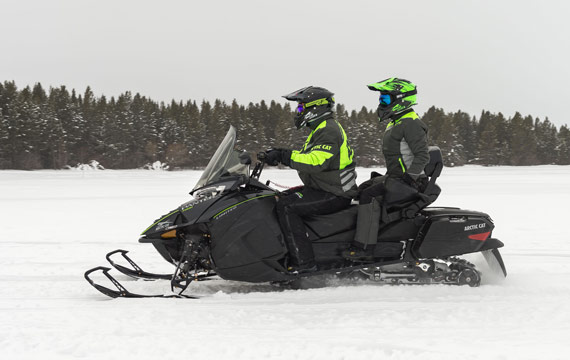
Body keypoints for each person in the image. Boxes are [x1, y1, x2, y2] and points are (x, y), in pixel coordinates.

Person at [264, 86, 357, 273]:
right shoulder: (321, 128)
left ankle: (304, 264)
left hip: (335, 192)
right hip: (323, 188)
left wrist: (284, 156)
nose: (298, 111)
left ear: (315, 108)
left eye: (300, 107)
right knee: (277, 199)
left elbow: (316, 161)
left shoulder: (329, 129)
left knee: (287, 207)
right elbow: (310, 156)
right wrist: (278, 153)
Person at [344, 77, 429, 261]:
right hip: (397, 177)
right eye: (381, 99)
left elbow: (422, 156)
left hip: (410, 181)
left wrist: (410, 178)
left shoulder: (410, 123)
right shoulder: (398, 121)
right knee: (363, 189)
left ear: (401, 99)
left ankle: (365, 247)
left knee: (369, 196)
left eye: (385, 99)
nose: (381, 103)